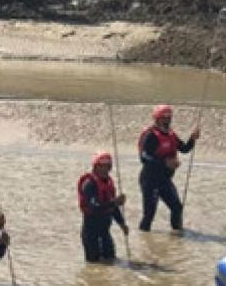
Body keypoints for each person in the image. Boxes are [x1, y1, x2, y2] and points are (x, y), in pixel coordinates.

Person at [137, 104, 200, 232]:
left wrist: (192, 139)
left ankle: (177, 235)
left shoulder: (171, 134)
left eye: (169, 117)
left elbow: (184, 148)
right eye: (164, 117)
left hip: (164, 180)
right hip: (149, 180)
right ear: (157, 118)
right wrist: (165, 163)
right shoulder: (151, 135)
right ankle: (144, 237)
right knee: (149, 214)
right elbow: (144, 157)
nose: (167, 120)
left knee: (177, 207)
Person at [78, 151, 128, 263]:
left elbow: (113, 208)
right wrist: (114, 202)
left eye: (107, 166)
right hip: (91, 232)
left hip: (105, 231)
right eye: (101, 166)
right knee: (94, 265)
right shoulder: (89, 184)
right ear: (95, 167)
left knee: (111, 259)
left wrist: (122, 223)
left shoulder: (109, 183)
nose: (105, 169)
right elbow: (94, 207)